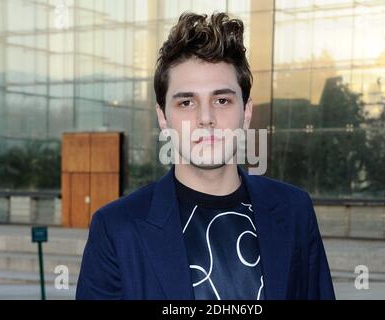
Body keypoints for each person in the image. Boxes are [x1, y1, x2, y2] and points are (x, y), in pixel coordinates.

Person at [76, 12, 335, 300]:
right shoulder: (116, 229)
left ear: (246, 111)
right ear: (163, 117)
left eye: (222, 100)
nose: (206, 117)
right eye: (187, 102)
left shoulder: (294, 210)